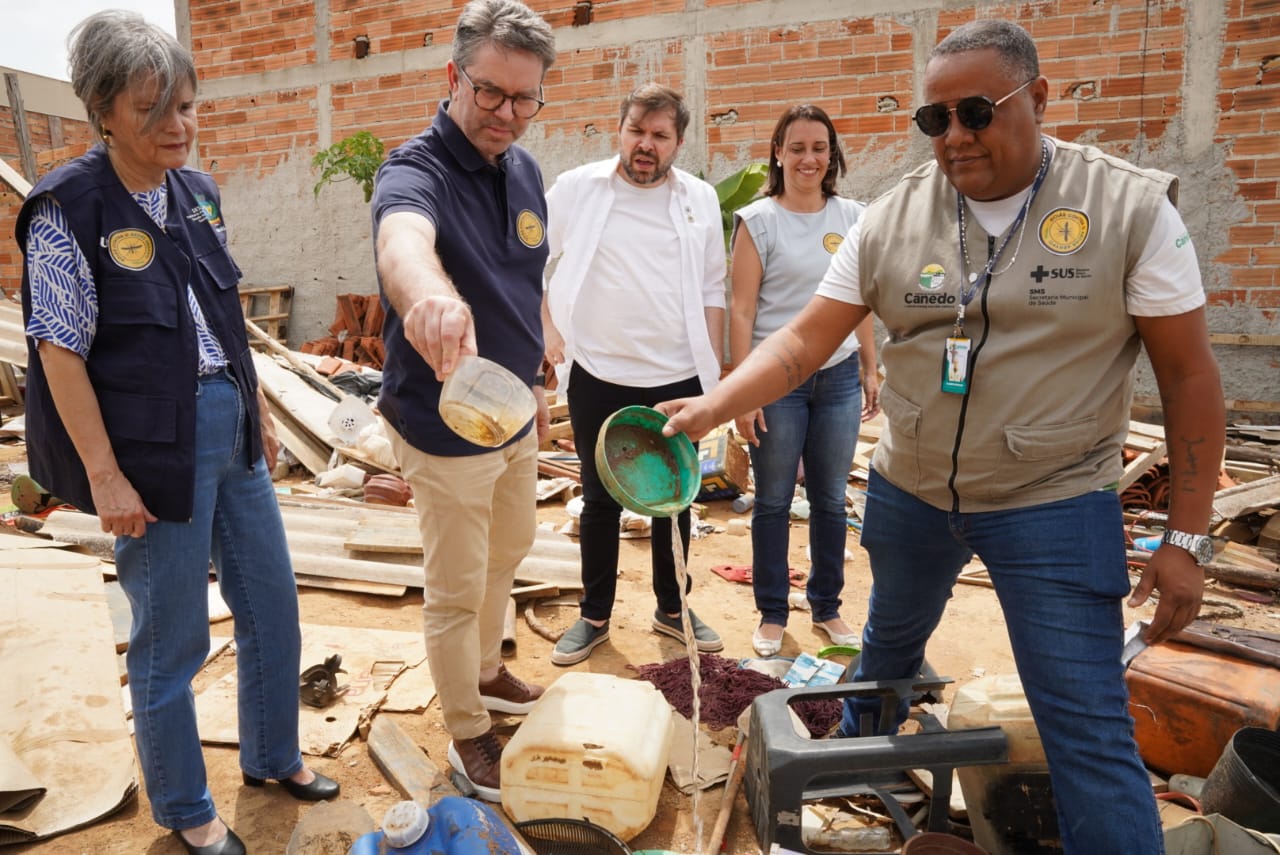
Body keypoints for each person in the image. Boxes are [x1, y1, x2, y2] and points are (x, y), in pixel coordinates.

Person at [659, 19, 1223, 854]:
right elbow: (802, 340)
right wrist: (713, 406)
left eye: (976, 112)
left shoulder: (1128, 209)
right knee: (888, 644)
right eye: (935, 120)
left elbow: (1190, 379)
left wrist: (1187, 534)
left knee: (1085, 726)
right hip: (910, 493)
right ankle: (852, 765)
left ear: (1037, 97)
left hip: (1055, 507)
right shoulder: (893, 218)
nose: (955, 136)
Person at [16, 11, 338, 855]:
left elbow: (223, 312)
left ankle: (273, 754)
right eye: (154, 109)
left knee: (271, 601)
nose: (178, 126)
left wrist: (258, 412)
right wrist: (107, 477)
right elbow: (60, 353)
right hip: (150, 447)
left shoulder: (197, 192)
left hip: (228, 422)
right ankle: (187, 809)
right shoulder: (69, 207)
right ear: (102, 110)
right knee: (172, 636)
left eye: (187, 106)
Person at [369, 0, 555, 802]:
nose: (507, 114)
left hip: (512, 407)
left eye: (525, 99)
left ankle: (487, 669)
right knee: (454, 584)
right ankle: (467, 732)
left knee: (509, 547)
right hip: (444, 421)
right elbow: (402, 242)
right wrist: (429, 300)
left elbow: (526, 282)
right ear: (453, 77)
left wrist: (543, 382)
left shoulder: (523, 167)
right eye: (490, 94)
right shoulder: (416, 169)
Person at [542, 84, 727, 666]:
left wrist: (715, 375)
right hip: (598, 367)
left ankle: (672, 609)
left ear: (678, 141)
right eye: (636, 131)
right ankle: (595, 614)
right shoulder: (578, 188)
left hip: (677, 374)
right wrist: (546, 329)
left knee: (674, 499)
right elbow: (533, 260)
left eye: (659, 135)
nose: (645, 145)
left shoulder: (698, 199)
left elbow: (712, 289)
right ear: (619, 129)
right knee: (599, 499)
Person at [728, 104, 881, 658]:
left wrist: (869, 362)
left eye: (819, 147)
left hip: (838, 377)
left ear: (831, 155)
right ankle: (771, 610)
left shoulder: (855, 217)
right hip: (776, 382)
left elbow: (859, 299)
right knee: (771, 499)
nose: (808, 158)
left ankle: (827, 606)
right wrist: (744, 391)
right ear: (778, 154)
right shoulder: (757, 221)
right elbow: (741, 311)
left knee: (831, 501)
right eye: (796, 148)